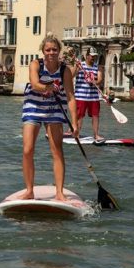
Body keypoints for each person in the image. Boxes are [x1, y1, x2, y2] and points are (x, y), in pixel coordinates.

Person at [20, 33, 78, 201]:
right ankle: (29, 190)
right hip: (33, 107)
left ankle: (59, 192)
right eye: (48, 50)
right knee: (27, 149)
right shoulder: (35, 64)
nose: (51, 52)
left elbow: (71, 97)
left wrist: (74, 123)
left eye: (54, 49)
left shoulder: (64, 70)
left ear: (59, 51)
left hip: (54, 109)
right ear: (43, 51)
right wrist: (48, 87)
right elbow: (34, 83)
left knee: (57, 151)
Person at [72, 46, 104, 141]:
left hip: (93, 97)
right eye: (91, 56)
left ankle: (96, 135)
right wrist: (75, 66)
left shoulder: (97, 67)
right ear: (87, 56)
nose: (93, 58)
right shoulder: (80, 65)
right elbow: (72, 75)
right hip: (80, 96)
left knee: (95, 115)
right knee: (79, 116)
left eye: (95, 56)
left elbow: (100, 79)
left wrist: (95, 81)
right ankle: (77, 134)